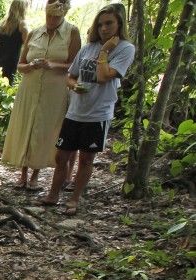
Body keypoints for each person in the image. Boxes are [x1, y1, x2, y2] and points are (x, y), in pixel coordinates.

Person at [41, 3, 135, 212]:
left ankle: (74, 199)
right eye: (100, 24)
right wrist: (75, 86)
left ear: (119, 23)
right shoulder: (86, 48)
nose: (104, 28)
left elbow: (103, 77)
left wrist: (104, 51)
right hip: (76, 111)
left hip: (98, 114)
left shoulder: (125, 49)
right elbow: (71, 76)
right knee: (61, 155)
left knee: (86, 158)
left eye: (109, 23)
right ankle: (53, 194)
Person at [1, 0, 80, 190]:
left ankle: (36, 174)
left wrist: (53, 64)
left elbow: (75, 64)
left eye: (56, 17)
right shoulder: (35, 32)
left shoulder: (72, 32)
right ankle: (22, 174)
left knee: (44, 129)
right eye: (49, 16)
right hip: (30, 87)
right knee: (27, 125)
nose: (52, 20)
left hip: (55, 90)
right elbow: (20, 65)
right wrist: (30, 66)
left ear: (63, 15)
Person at [0, 0, 29, 84]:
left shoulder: (2, 23)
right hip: (12, 61)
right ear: (22, 9)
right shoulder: (22, 25)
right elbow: (28, 45)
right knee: (8, 86)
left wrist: (3, 47)